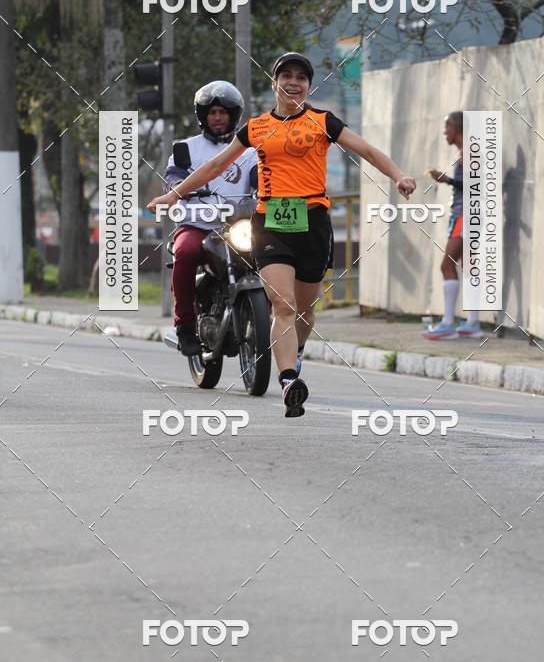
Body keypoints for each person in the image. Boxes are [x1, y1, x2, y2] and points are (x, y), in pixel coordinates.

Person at [149, 53, 416, 418]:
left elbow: (366, 150)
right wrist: (173, 194)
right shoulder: (256, 128)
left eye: (301, 78)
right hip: (270, 221)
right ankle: (289, 380)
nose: (293, 83)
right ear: (275, 82)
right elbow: (215, 166)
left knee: (305, 312)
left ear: (308, 85)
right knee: (283, 306)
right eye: (286, 76)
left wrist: (398, 175)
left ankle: (296, 351)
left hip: (313, 222)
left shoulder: (323, 121)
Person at [165, 81, 257, 356]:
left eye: (223, 112)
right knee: (185, 251)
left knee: (270, 252)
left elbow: (260, 179)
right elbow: (173, 177)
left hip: (237, 226)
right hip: (197, 223)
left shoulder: (250, 151)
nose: (218, 117)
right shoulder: (186, 149)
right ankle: (184, 324)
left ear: (234, 115)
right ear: (203, 115)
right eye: (212, 112)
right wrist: (176, 187)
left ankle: (262, 316)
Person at [423, 111, 483, 339]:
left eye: (446, 128)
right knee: (469, 267)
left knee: (446, 265)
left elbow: (476, 184)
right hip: (469, 214)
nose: (444, 132)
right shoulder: (467, 151)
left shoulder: (469, 151)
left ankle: (448, 323)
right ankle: (472, 323)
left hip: (465, 215)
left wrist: (446, 179)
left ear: (456, 128)